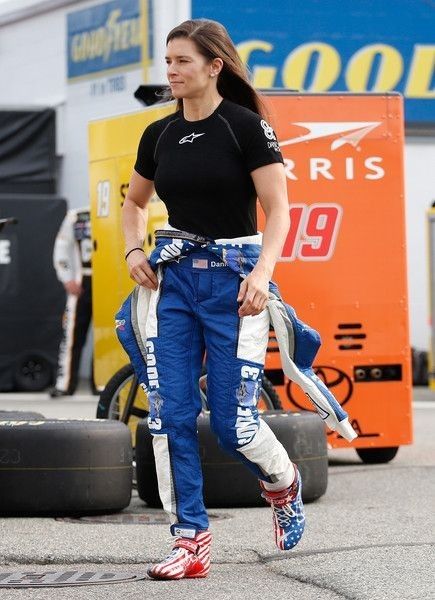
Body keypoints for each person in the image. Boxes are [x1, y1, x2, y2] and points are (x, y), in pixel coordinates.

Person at [122, 18, 302, 580]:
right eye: (168, 61)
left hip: (235, 282)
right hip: (173, 285)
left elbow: (279, 210)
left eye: (182, 61)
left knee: (232, 424)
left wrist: (262, 275)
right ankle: (190, 540)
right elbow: (133, 205)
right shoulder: (158, 135)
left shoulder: (244, 128)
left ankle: (283, 482)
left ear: (214, 66)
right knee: (168, 414)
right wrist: (133, 253)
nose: (171, 71)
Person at [50, 207, 92, 397]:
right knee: (72, 334)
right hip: (81, 280)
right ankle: (65, 384)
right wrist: (67, 277)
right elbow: (62, 245)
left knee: (110, 335)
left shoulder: (119, 210)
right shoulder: (76, 215)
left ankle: (102, 384)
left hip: (109, 283)